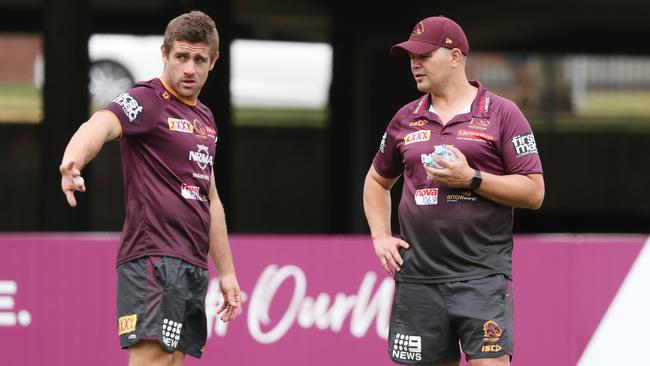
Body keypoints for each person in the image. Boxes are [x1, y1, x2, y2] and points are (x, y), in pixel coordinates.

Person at [59, 10, 241, 366]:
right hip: (153, 258)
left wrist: (228, 271)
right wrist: (73, 160)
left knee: (171, 362)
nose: (190, 68)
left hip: (191, 263)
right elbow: (101, 123)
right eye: (182, 57)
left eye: (199, 59)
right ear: (164, 53)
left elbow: (211, 198)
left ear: (214, 61)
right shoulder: (147, 99)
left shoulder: (205, 118)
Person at [363, 16, 544, 366]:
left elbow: (534, 192)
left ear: (456, 57)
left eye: (424, 56)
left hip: (481, 277)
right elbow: (375, 181)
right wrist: (380, 236)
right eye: (411, 58)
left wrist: (471, 178)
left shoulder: (503, 114)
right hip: (418, 279)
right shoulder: (404, 118)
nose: (415, 64)